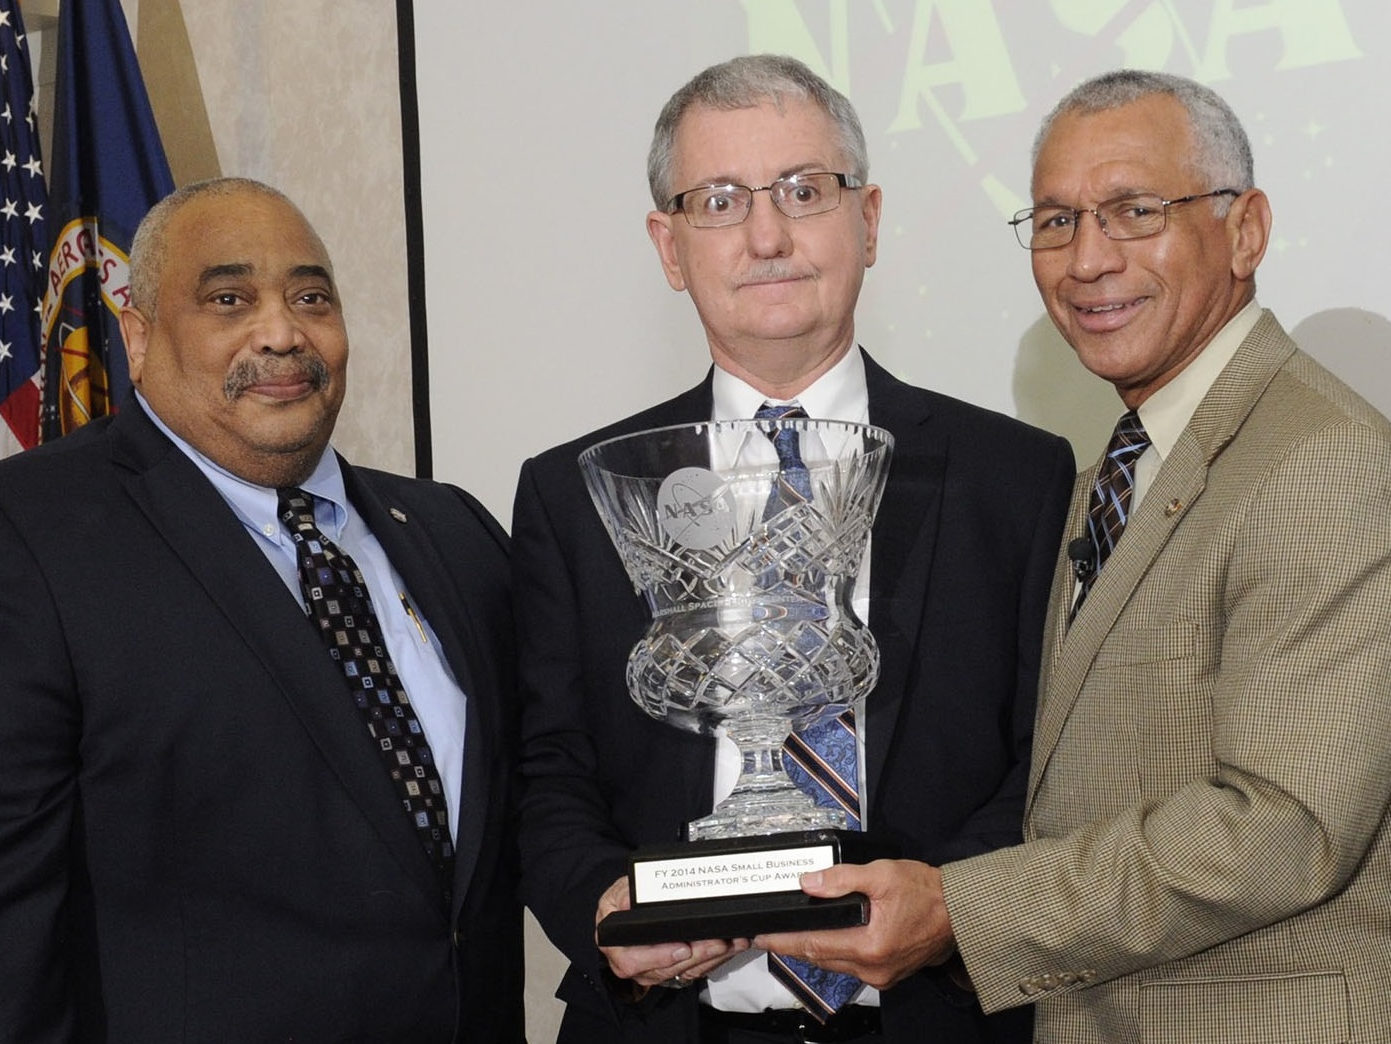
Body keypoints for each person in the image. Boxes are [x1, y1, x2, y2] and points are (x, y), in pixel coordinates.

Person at [757, 70, 1391, 1042]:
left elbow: (1280, 828)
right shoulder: (1108, 472)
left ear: (1245, 229)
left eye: (1134, 211)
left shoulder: (1321, 459)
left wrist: (960, 907)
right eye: (1054, 222)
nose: (1086, 259)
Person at [515, 55, 1074, 1043]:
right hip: (669, 1024)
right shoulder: (573, 493)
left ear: (867, 219)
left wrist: (950, 909)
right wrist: (604, 915)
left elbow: (1047, 764)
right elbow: (547, 773)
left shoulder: (1014, 479)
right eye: (719, 201)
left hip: (932, 1019)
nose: (766, 235)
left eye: (804, 192)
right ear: (669, 244)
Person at [0, 178, 524, 1043]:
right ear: (137, 337)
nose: (283, 332)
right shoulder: (14, 537)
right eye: (229, 298)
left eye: (310, 296)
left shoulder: (454, 530)